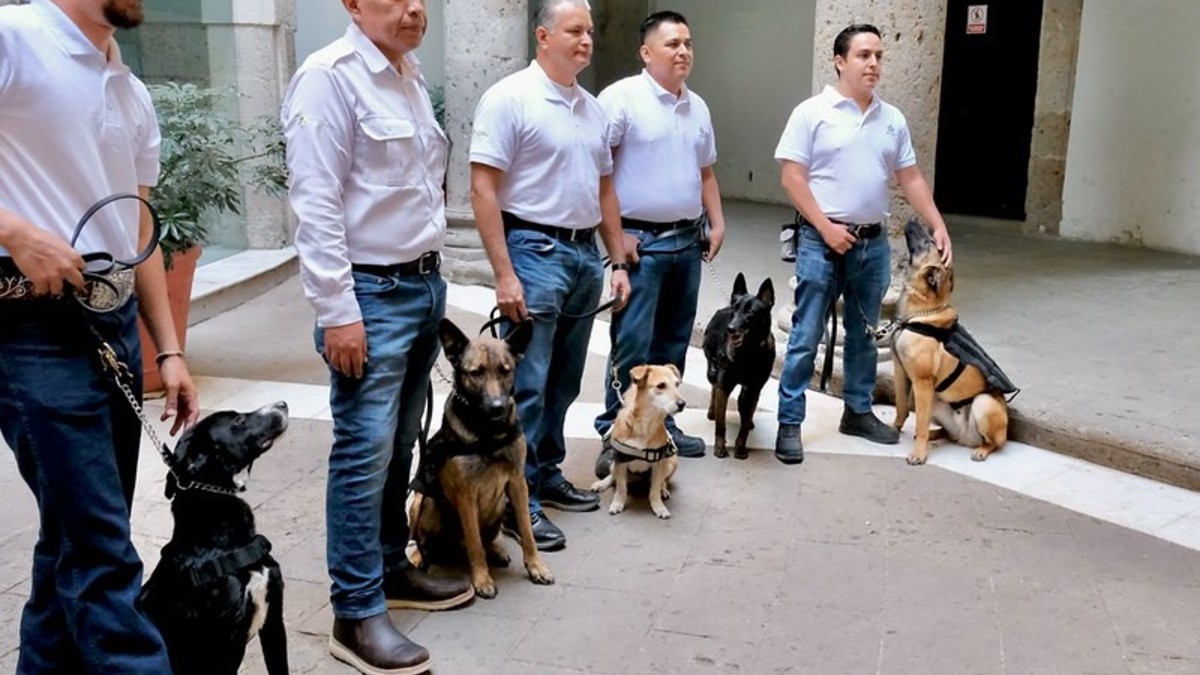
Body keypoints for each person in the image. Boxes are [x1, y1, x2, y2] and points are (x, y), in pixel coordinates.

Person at [0, 0, 201, 671]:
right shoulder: (14, 36)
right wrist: (17, 232)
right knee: (102, 549)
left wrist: (168, 347)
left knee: (74, 537)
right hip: (30, 328)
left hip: (111, 326)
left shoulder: (130, 87)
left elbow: (137, 230)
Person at [281, 0, 473, 672]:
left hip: (420, 288)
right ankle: (355, 611)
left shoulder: (407, 75)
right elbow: (315, 199)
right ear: (354, 5)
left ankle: (391, 566)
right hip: (370, 296)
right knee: (363, 453)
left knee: (397, 444)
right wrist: (338, 309)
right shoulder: (328, 77)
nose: (415, 8)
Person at [470, 0, 631, 551]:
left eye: (589, 31)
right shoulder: (509, 98)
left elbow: (606, 189)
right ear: (543, 36)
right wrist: (504, 274)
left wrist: (616, 260)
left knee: (563, 382)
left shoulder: (591, 108)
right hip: (533, 251)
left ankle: (546, 473)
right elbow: (483, 188)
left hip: (584, 255)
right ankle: (518, 501)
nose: (586, 40)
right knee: (529, 386)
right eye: (574, 30)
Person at [773, 23, 953, 465]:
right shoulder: (812, 112)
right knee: (805, 333)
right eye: (863, 55)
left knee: (863, 335)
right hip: (822, 239)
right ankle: (789, 421)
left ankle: (857, 411)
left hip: (871, 245)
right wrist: (826, 227)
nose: (873, 63)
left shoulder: (891, 119)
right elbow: (792, 178)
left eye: (878, 56)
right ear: (840, 61)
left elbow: (909, 177)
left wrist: (937, 223)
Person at [591, 10, 726, 472]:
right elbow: (598, 172)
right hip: (639, 243)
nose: (683, 51)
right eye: (672, 44)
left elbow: (705, 170)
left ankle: (662, 426)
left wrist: (718, 219)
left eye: (688, 42)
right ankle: (617, 429)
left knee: (671, 343)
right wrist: (615, 240)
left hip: (686, 243)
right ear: (647, 53)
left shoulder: (698, 106)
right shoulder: (620, 99)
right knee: (632, 344)